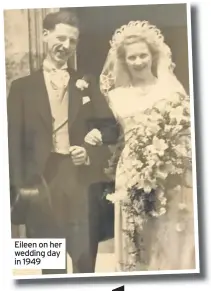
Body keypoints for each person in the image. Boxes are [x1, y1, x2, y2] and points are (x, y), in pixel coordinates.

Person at [7, 10, 118, 274]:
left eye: (72, 41)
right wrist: (20, 188)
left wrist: (91, 148)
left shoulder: (87, 83)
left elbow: (112, 129)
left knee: (84, 263)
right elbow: (12, 143)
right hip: (41, 184)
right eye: (60, 38)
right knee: (48, 266)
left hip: (80, 183)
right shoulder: (22, 87)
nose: (66, 46)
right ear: (45, 36)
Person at [95, 21, 195, 271]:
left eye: (143, 55)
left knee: (169, 233)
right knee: (136, 234)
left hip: (169, 172)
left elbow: (186, 132)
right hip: (130, 170)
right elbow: (114, 133)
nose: (138, 61)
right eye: (132, 57)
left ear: (153, 55)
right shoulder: (116, 96)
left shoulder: (171, 89)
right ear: (123, 61)